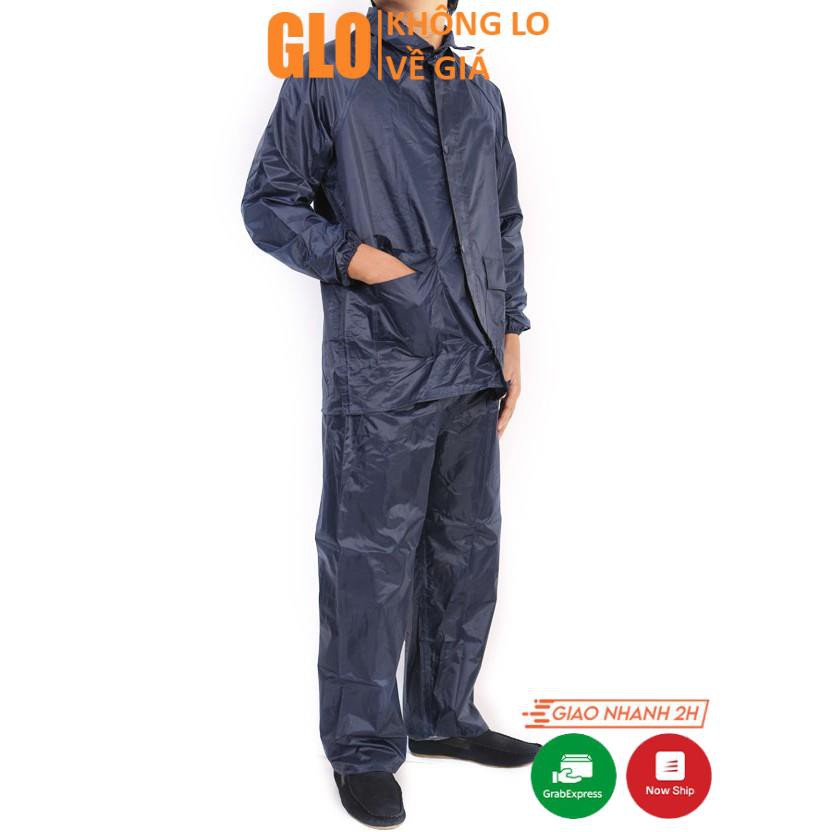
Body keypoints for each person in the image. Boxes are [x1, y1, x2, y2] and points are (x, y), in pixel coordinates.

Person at [242, 1, 535, 825]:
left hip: (475, 360)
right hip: (385, 361)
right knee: (368, 557)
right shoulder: (330, 71)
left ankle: (443, 716)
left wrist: (513, 333)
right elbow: (269, 200)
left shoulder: (476, 86)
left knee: (465, 548)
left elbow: (503, 220)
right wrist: (362, 261)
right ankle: (364, 749)